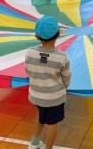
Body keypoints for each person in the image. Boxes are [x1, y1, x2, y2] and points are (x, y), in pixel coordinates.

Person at [25, 16, 71, 149]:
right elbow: (66, 78)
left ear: (37, 35)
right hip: (54, 98)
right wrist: (64, 88)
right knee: (51, 123)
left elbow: (28, 71)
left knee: (40, 116)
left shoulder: (30, 52)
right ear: (58, 34)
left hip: (36, 95)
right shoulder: (61, 57)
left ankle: (34, 143)